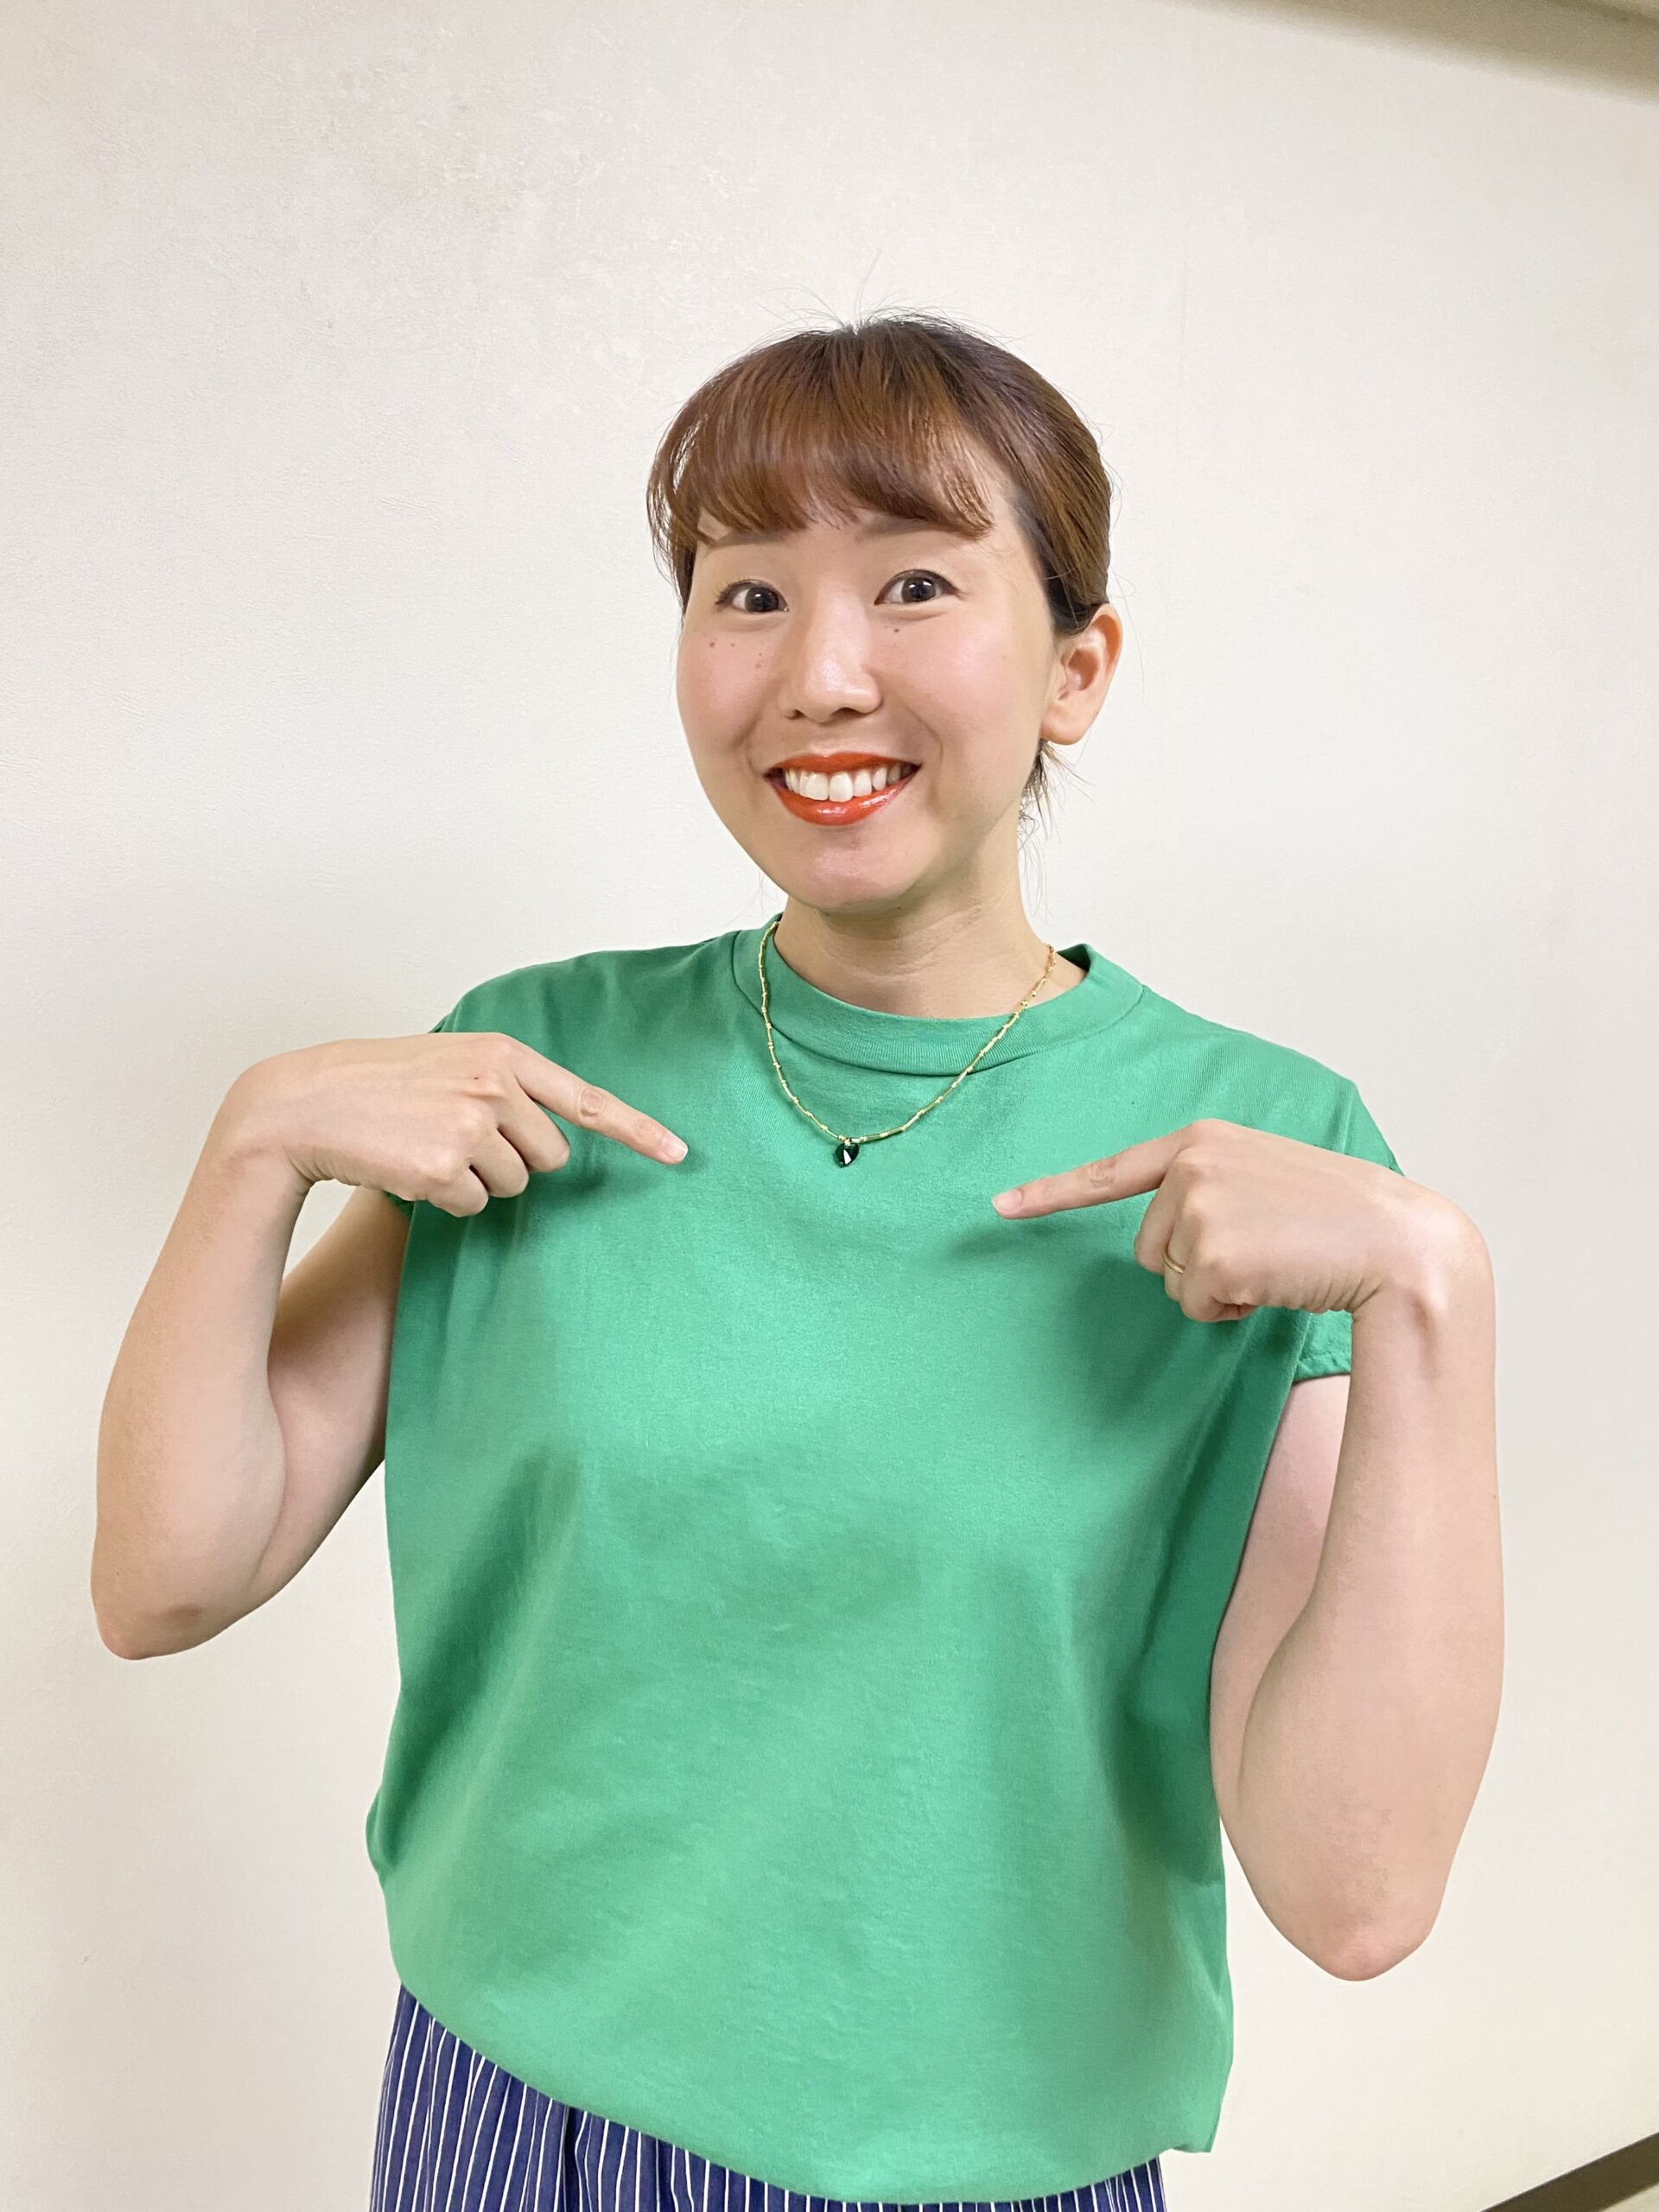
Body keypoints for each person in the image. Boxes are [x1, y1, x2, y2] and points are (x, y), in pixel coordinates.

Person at [92, 313, 1501, 2212]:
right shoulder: (530, 1068)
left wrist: (1433, 1295)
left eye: (914, 583)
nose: (821, 675)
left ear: (1078, 667)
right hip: (500, 2108)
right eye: (748, 593)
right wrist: (252, 1144)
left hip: (975, 2170)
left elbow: (1356, 1893)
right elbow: (164, 1582)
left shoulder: (1268, 1151)